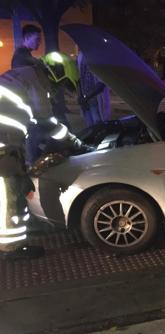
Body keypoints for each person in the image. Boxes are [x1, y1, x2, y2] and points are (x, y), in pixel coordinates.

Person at [0, 51, 92, 259]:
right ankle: (12, 248)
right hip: (3, 142)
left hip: (6, 139)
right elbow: (47, 122)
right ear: (55, 74)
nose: (58, 90)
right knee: (11, 192)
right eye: (60, 84)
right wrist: (75, 143)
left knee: (7, 191)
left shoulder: (22, 75)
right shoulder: (37, 84)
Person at [77, 52, 110, 127]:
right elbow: (78, 78)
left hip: (96, 101)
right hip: (86, 101)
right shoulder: (80, 56)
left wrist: (85, 98)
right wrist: (80, 96)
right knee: (91, 128)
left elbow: (101, 84)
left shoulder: (99, 56)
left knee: (99, 128)